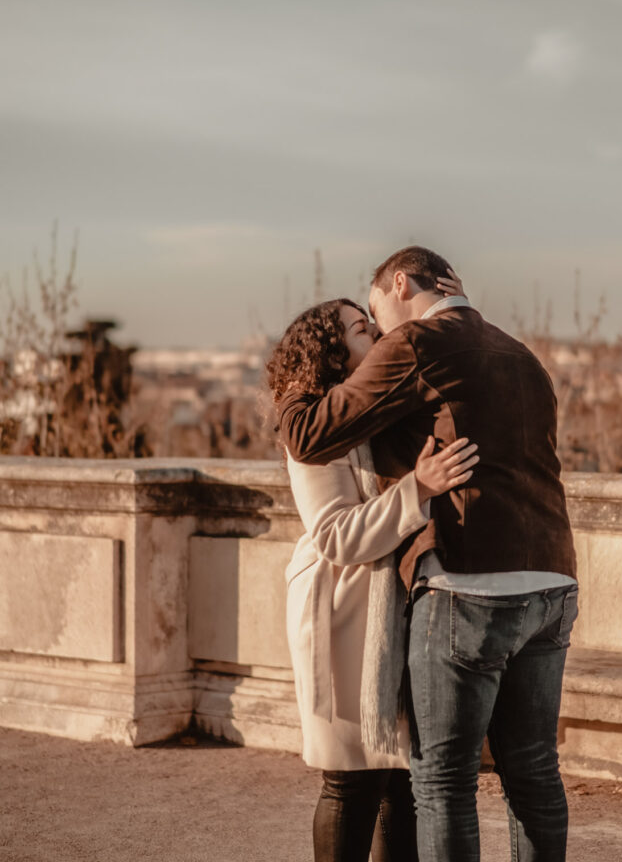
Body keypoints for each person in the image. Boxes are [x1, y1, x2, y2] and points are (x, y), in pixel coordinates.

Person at [278, 246, 578, 862]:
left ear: (398, 282)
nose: (380, 328)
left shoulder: (417, 343)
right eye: (362, 327)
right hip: (550, 580)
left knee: (437, 781)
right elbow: (317, 467)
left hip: (466, 587)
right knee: (530, 771)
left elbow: (309, 431)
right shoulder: (521, 356)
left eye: (372, 314)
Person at [266, 293, 478, 862]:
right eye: (363, 330)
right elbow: (334, 533)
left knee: (401, 783)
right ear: (332, 351)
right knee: (351, 781)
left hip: (392, 605)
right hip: (339, 609)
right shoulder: (315, 426)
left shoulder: (375, 407)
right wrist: (420, 488)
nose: (378, 338)